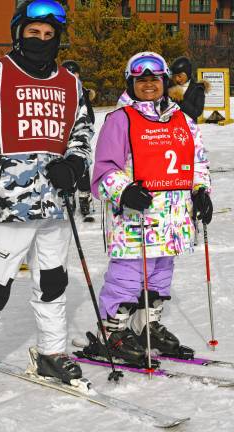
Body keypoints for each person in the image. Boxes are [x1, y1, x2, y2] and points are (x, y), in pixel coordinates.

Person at [0, 0, 93, 394]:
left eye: (50, 36)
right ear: (19, 32)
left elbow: (82, 132)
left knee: (53, 283)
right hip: (6, 206)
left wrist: (75, 164)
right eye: (34, 33)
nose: (42, 41)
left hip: (54, 206)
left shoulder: (71, 81)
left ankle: (51, 352)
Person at [85, 52, 212, 365]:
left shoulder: (181, 118)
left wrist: (201, 191)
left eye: (154, 79)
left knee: (160, 274)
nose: (148, 84)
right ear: (131, 83)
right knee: (128, 275)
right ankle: (111, 330)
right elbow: (103, 171)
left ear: (165, 81)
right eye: (140, 79)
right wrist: (124, 190)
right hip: (135, 215)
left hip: (174, 216)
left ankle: (147, 326)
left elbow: (197, 160)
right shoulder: (120, 119)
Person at [61, 60, 96, 221]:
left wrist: (83, 129)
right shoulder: (58, 90)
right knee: (64, 168)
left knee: (80, 166)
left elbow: (90, 116)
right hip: (61, 138)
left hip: (78, 136)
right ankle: (67, 196)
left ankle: (84, 196)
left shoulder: (81, 90)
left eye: (74, 74)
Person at [168, 56, 210, 123]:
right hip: (171, 127)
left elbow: (197, 112)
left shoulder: (198, 89)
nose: (177, 79)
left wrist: (180, 100)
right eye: (174, 76)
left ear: (187, 73)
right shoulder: (170, 87)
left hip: (189, 128)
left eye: (179, 76)